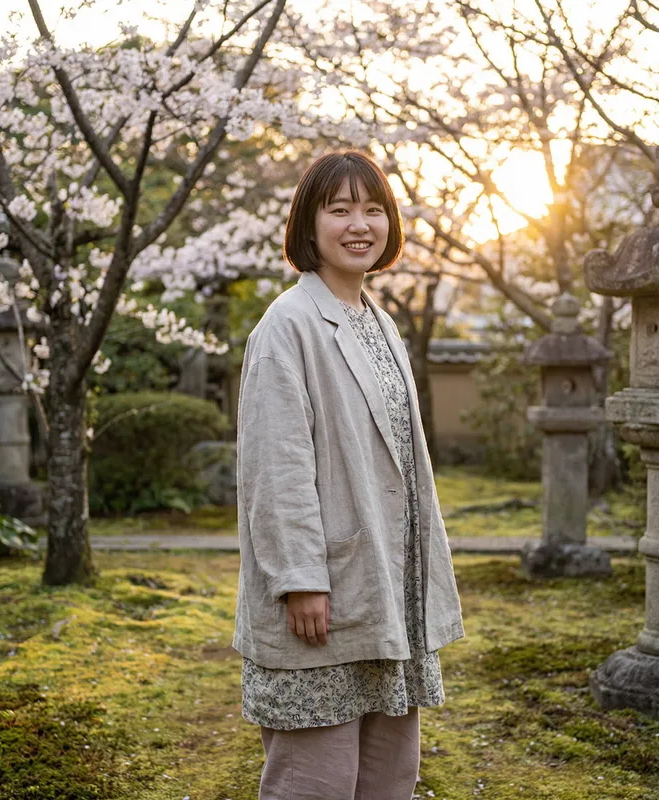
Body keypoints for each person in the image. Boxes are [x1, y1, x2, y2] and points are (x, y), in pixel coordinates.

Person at [233, 150, 464, 800]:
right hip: (324, 598)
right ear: (310, 226)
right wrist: (300, 579)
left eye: (372, 209)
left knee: (391, 779)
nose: (359, 224)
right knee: (315, 783)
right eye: (340, 209)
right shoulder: (287, 325)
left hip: (387, 592)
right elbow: (276, 468)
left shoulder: (380, 323)